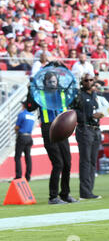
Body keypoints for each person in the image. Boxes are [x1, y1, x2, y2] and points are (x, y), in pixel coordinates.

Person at [26, 63, 78, 204]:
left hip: (62, 129)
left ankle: (65, 194)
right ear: (44, 82)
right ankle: (53, 197)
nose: (52, 83)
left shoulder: (62, 93)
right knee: (58, 163)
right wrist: (30, 91)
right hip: (48, 130)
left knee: (67, 162)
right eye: (49, 81)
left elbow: (73, 100)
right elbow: (30, 108)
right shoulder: (39, 94)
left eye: (54, 81)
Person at [71, 73, 104, 200]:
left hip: (96, 129)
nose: (89, 82)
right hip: (84, 128)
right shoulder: (79, 95)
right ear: (82, 82)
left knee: (92, 161)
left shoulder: (95, 95)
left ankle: (89, 190)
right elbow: (73, 112)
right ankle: (84, 192)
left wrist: (101, 114)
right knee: (85, 161)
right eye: (86, 80)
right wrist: (90, 115)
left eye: (91, 80)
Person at [14, 101, 36, 182]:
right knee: (28, 158)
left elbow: (17, 127)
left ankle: (18, 176)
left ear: (24, 106)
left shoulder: (22, 114)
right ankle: (28, 176)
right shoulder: (32, 115)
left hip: (22, 136)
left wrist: (16, 131)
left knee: (17, 157)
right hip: (29, 137)